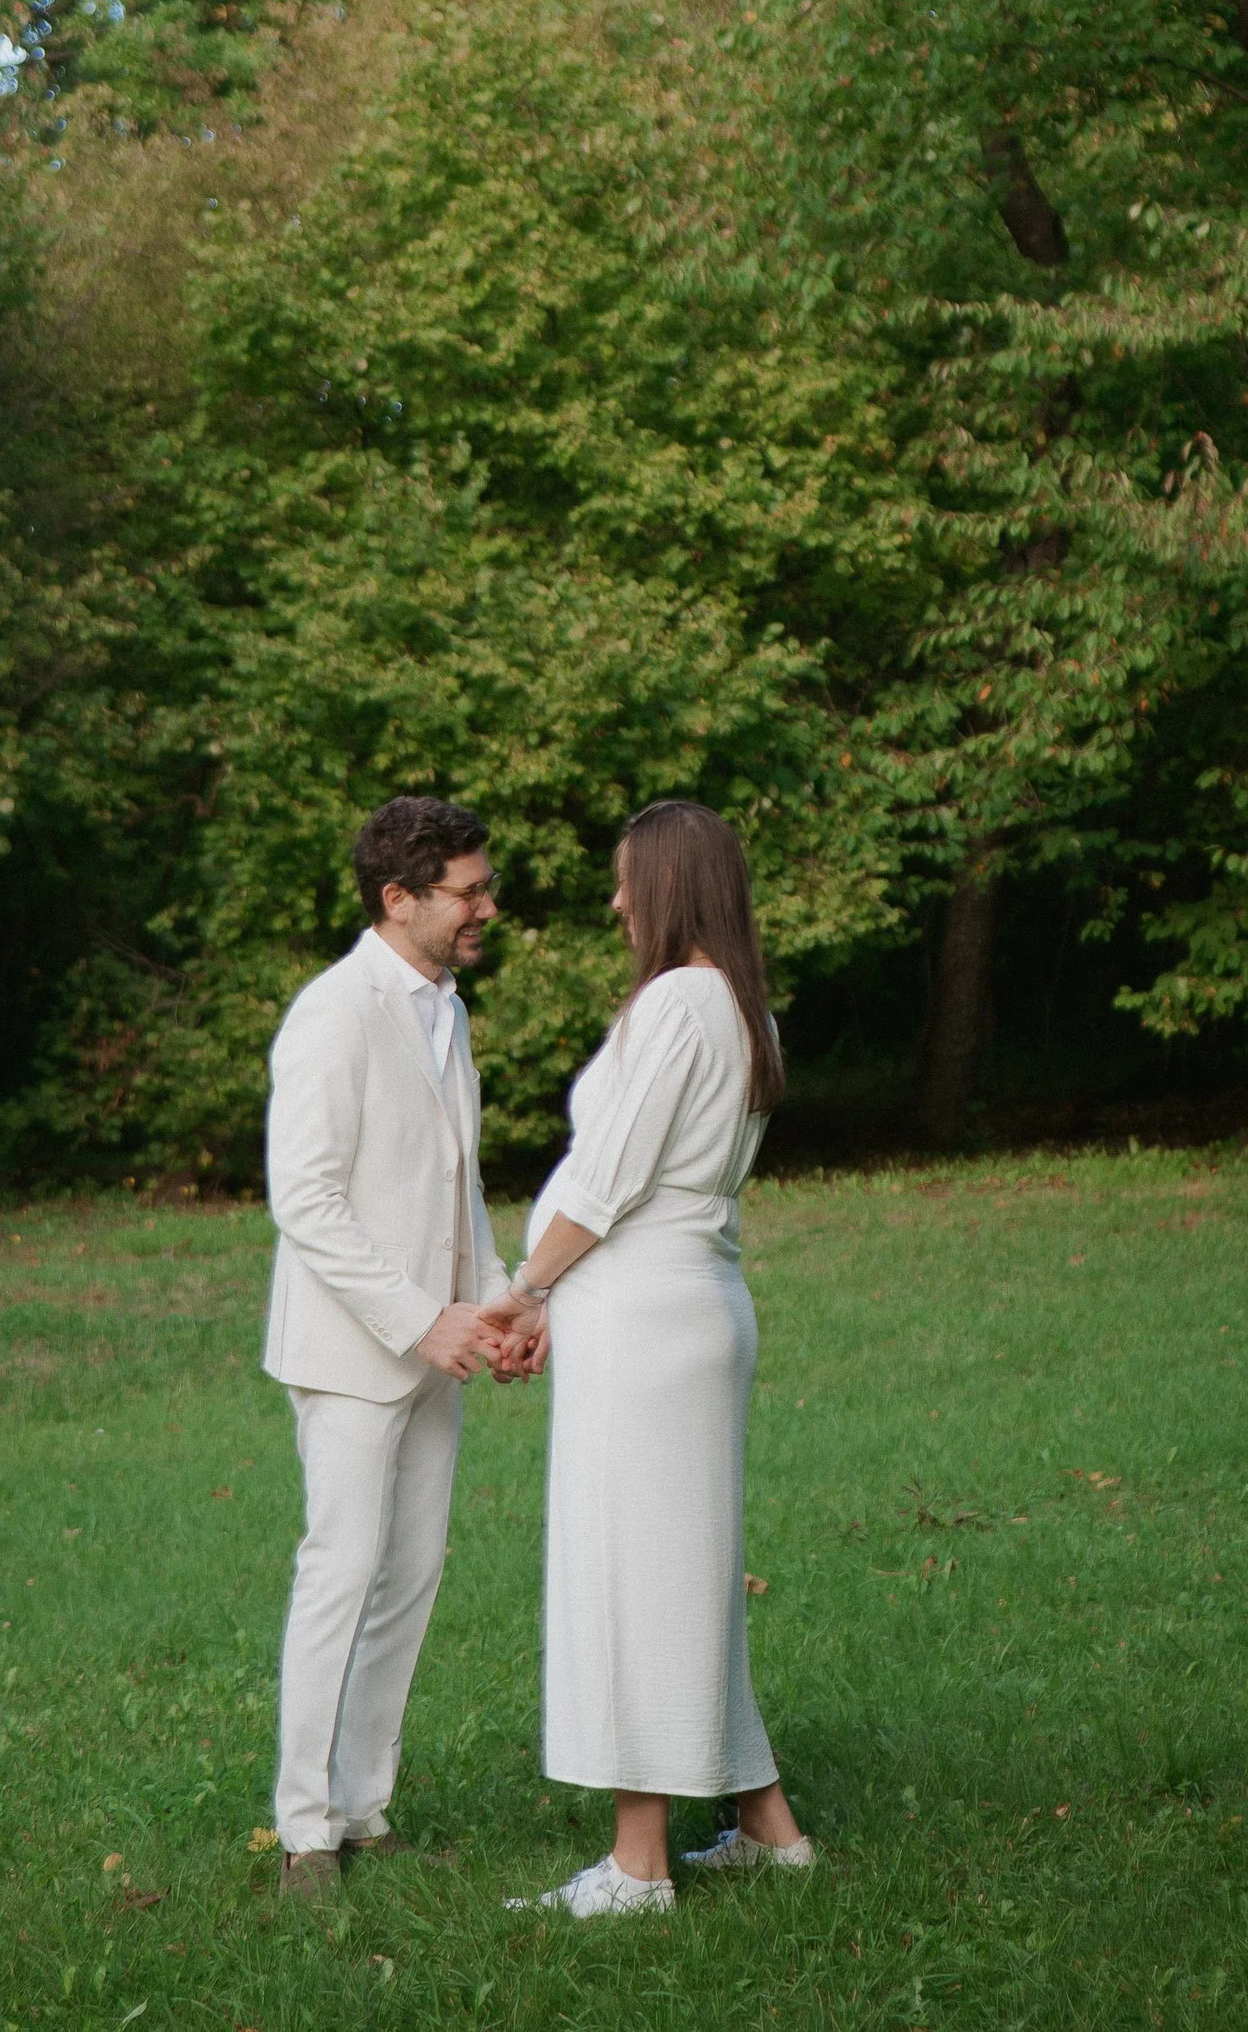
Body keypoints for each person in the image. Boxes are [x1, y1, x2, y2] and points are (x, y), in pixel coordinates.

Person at [489, 799, 813, 1919]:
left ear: (671, 885)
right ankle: (768, 1827)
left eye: (629, 881)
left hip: (644, 1319)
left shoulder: (679, 1002)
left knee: (635, 1577)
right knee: (684, 1575)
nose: (617, 900)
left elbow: (604, 1177)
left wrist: (524, 1291)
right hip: (694, 1306)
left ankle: (637, 1869)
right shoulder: (745, 1008)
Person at [262, 792, 536, 1903]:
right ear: (399, 899)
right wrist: (419, 1319)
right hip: (350, 1350)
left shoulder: (449, 1008)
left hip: (443, 1348)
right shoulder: (332, 1014)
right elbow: (307, 1202)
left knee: (410, 1579)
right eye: (467, 891)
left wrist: (503, 1304)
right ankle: (302, 1833)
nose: (487, 906)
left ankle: (365, 1807)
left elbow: (453, 1188)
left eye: (482, 885)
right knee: (340, 1573)